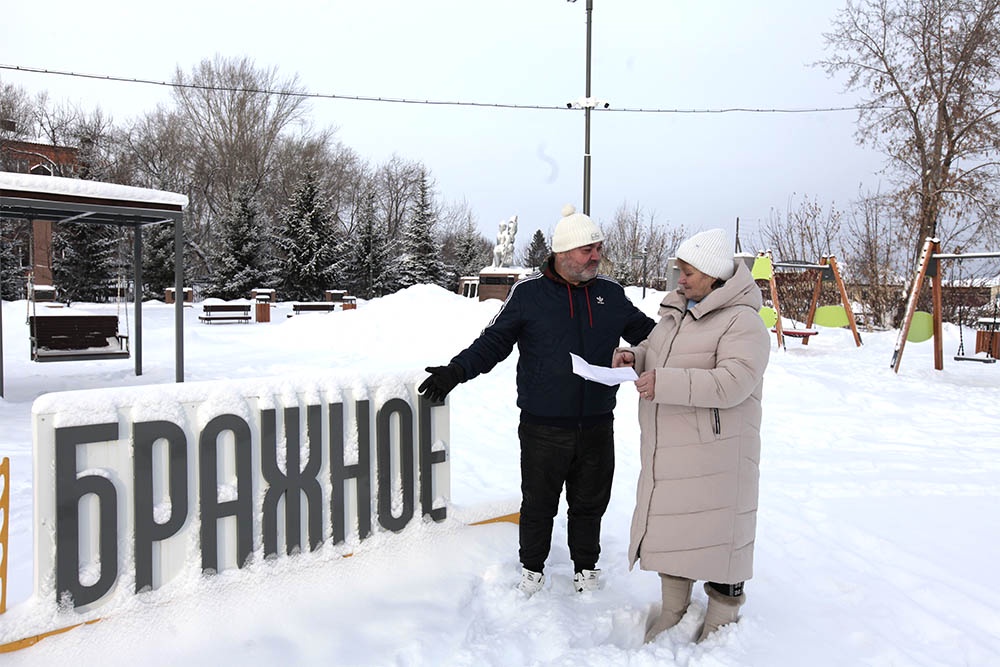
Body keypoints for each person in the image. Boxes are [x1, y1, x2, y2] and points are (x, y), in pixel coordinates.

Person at [419, 204, 656, 596]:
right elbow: (493, 342)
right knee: (539, 504)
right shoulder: (529, 294)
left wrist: (657, 350)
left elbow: (650, 335)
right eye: (587, 250)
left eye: (598, 248)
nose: (596, 256)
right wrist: (455, 371)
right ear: (563, 254)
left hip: (598, 421)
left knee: (589, 503)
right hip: (544, 425)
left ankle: (586, 567)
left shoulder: (610, 295)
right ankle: (532, 568)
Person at [612, 228, 770, 643]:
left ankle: (722, 614)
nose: (679, 279)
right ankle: (673, 608)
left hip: (718, 452)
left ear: (715, 276)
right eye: (680, 271)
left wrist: (663, 382)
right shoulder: (677, 311)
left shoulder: (743, 322)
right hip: (671, 446)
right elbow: (657, 350)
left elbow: (735, 381)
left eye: (688, 272)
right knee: (671, 525)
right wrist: (635, 356)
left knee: (721, 533)